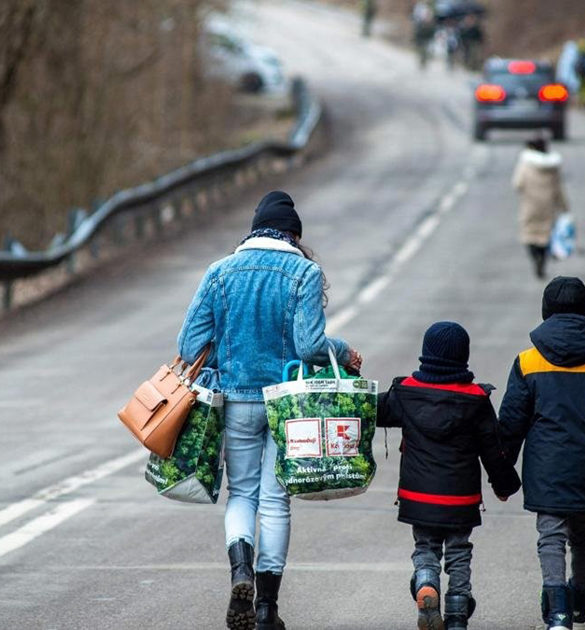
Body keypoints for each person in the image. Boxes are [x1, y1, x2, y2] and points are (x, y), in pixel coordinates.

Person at [177, 191, 364, 630]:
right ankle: (266, 610)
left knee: (241, 495)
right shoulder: (304, 272)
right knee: (276, 501)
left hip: (237, 399)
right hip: (289, 407)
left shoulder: (219, 273)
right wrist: (343, 351)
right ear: (294, 235)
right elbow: (312, 347)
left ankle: (240, 570)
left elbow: (188, 347)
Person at [497, 277, 585, 630]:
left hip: (547, 467)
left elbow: (511, 422)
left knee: (551, 535)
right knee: (584, 532)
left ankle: (557, 609)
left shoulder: (527, 362)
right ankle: (584, 595)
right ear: (584, 311)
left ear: (545, 311)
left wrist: (503, 475)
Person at [377, 322, 521, 630]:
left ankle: (427, 582)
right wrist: (504, 484)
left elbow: (372, 411)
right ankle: (457, 613)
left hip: (419, 496)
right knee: (458, 552)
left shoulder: (406, 393)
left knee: (426, 547)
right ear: (463, 357)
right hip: (461, 497)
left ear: (425, 354)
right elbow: (492, 450)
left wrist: (344, 381)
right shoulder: (476, 399)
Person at [513, 137, 568, 279]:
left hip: (530, 206)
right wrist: (564, 207)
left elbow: (517, 184)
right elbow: (558, 188)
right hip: (548, 207)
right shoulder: (553, 167)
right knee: (546, 235)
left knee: (530, 235)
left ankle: (535, 257)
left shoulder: (525, 165)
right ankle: (542, 261)